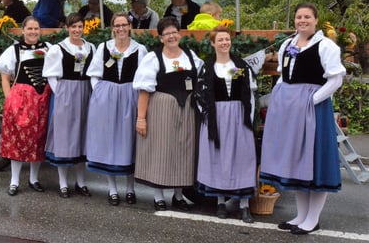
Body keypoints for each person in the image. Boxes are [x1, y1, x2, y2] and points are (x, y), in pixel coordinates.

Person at [260, 3, 345, 235]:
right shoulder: (288, 44)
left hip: (313, 110)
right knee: (296, 162)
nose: (302, 20)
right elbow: (283, 76)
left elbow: (336, 79)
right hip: (289, 110)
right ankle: (301, 215)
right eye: (299, 17)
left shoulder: (326, 46)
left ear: (315, 20)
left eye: (307, 17)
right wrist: (279, 99)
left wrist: (310, 101)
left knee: (314, 162)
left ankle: (313, 219)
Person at [133, 16, 203, 211]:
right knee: (161, 150)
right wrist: (141, 118)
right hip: (161, 109)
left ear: (179, 34)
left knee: (184, 150)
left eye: (174, 32)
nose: (171, 36)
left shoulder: (190, 56)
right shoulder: (153, 58)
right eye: (167, 33)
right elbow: (144, 90)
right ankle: (158, 197)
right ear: (161, 38)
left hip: (187, 109)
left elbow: (203, 78)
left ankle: (178, 196)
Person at [194, 25, 257, 223]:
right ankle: (220, 202)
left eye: (227, 39)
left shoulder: (239, 66)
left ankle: (244, 205)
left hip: (239, 116)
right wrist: (208, 117)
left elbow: (249, 94)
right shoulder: (207, 67)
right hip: (217, 117)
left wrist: (248, 117)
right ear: (213, 43)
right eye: (220, 39)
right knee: (218, 158)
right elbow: (199, 95)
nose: (224, 42)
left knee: (242, 158)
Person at [85, 12, 148, 206]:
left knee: (129, 142)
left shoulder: (140, 50)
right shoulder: (104, 47)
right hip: (107, 100)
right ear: (112, 28)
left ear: (129, 27)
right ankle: (112, 189)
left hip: (130, 97)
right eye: (117, 25)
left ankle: (130, 188)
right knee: (108, 142)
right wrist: (100, 93)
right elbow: (94, 74)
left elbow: (145, 77)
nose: (121, 29)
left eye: (124, 25)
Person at [0, 16, 52, 196]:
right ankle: (14, 181)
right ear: (23, 30)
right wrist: (9, 99)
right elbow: (5, 77)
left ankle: (34, 179)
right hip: (21, 99)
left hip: (43, 98)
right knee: (18, 138)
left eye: (36, 29)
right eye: (30, 29)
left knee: (39, 138)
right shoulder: (15, 50)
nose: (33, 32)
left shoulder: (48, 48)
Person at [42, 13, 96, 198]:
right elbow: (51, 76)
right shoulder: (58, 49)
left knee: (82, 137)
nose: (77, 30)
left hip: (85, 92)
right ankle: (63, 183)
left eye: (80, 26)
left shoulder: (90, 47)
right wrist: (61, 94)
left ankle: (81, 182)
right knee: (64, 137)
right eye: (73, 27)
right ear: (67, 28)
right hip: (65, 92)